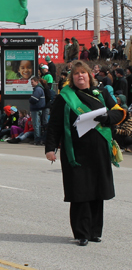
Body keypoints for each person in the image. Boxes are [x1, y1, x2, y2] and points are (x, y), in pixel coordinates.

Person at [45, 61, 126, 246]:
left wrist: (107, 118)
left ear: (89, 76)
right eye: (76, 74)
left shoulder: (103, 93)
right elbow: (54, 125)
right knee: (80, 192)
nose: (80, 76)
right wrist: (50, 148)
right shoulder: (64, 97)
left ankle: (95, 232)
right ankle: (81, 233)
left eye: (83, 73)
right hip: (75, 151)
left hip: (99, 150)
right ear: (71, 78)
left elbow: (120, 113)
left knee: (98, 191)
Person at [29, 76, 45, 145]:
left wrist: (30, 100)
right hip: (38, 108)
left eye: (32, 82)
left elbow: (33, 99)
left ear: (36, 82)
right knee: (37, 125)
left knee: (36, 125)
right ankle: (38, 139)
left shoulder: (38, 89)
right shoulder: (39, 89)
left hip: (36, 109)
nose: (31, 84)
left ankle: (37, 140)